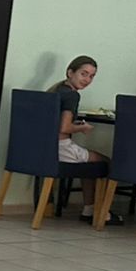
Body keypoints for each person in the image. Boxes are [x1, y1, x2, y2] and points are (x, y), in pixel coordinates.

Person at [50, 55, 118, 225]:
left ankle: (89, 210)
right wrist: (82, 128)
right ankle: (103, 213)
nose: (87, 80)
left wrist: (74, 125)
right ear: (70, 72)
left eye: (91, 76)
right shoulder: (72, 96)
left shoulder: (56, 91)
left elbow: (57, 124)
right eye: (83, 74)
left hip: (45, 148)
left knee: (89, 163)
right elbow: (64, 128)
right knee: (106, 162)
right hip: (62, 149)